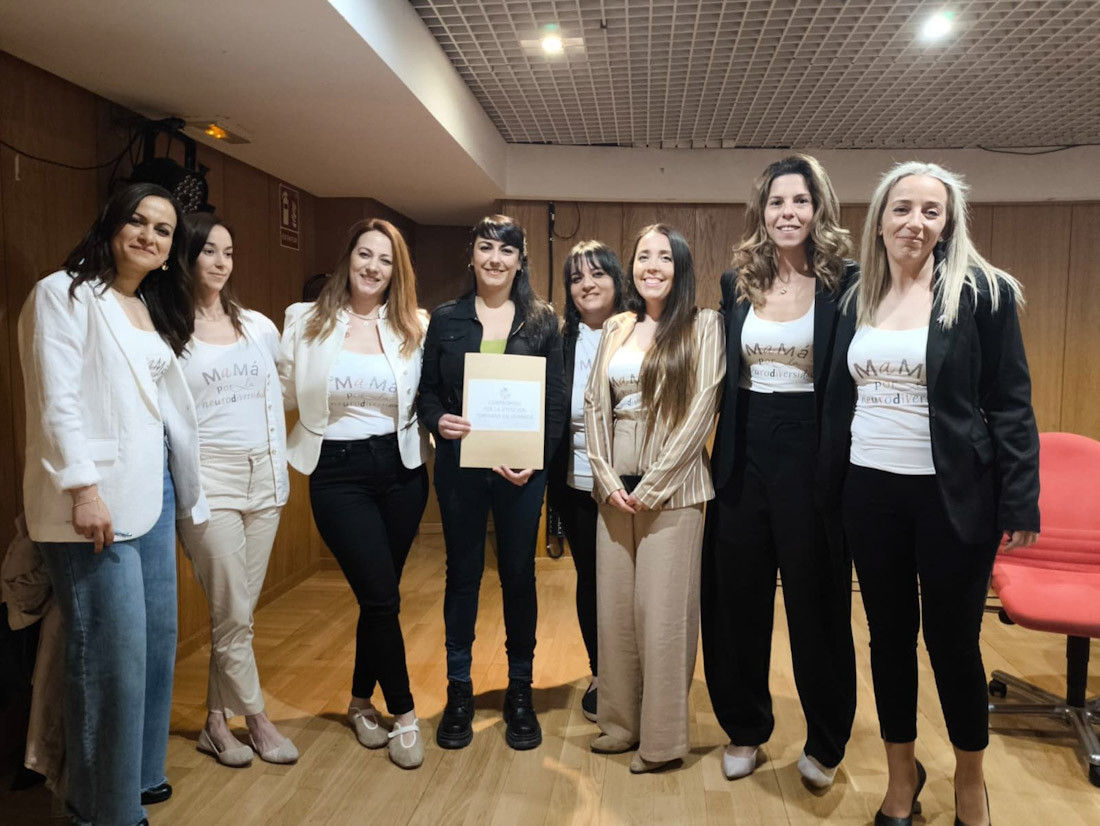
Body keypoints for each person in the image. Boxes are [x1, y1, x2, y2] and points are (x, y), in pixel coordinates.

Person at [819, 161, 1040, 826]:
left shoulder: (983, 293)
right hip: (869, 491)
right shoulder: (854, 292)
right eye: (903, 208)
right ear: (880, 219)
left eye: (931, 211)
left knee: (953, 644)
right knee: (889, 641)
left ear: (948, 224)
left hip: (954, 497)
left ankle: (970, 782)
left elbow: (1011, 403)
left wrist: (1020, 499)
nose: (915, 222)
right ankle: (900, 778)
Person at [18, 182, 207, 826]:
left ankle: (141, 777)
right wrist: (84, 489)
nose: (149, 236)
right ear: (111, 224)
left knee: (155, 644)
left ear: (170, 250)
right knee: (110, 658)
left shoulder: (148, 305)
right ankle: (103, 811)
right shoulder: (64, 293)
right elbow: (58, 400)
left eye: (163, 230)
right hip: (95, 497)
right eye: (138, 221)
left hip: (152, 490)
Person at [700, 155, 858, 786]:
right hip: (743, 449)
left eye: (800, 201)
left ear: (819, 209)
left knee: (817, 602)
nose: (787, 212)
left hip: (813, 452)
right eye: (776, 202)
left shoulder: (846, 284)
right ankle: (745, 726)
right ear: (760, 212)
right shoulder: (736, 281)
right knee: (736, 598)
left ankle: (826, 741)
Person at [279, 218, 430, 769]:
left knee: (379, 596)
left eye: (385, 259)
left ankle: (362, 702)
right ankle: (405, 714)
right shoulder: (305, 320)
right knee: (382, 597)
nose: (373, 267)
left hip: (402, 471)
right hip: (337, 472)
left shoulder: (416, 324)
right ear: (348, 258)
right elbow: (277, 393)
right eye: (365, 254)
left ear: (397, 270)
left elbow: (434, 393)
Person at [417, 214, 566, 751]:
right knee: (462, 575)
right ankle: (459, 690)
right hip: (460, 467)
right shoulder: (446, 318)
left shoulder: (543, 322)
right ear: (472, 255)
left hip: (521, 473)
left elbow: (554, 402)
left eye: (506, 250)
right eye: (486, 248)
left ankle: (519, 690)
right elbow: (426, 392)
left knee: (519, 575)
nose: (495, 259)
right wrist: (438, 420)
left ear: (521, 261)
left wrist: (537, 460)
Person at [584, 224, 725, 773]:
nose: (652, 266)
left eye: (664, 257)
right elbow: (595, 403)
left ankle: (663, 742)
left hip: (674, 492)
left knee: (662, 617)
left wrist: (654, 485)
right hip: (614, 489)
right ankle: (620, 725)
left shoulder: (703, 325)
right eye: (643, 256)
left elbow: (703, 409)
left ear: (680, 266)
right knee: (616, 612)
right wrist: (605, 476)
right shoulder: (617, 326)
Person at [176, 213, 296, 767]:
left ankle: (214, 724)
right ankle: (258, 720)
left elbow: (285, 387)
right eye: (208, 250)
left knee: (238, 614)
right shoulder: (169, 331)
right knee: (232, 611)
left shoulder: (258, 326)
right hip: (210, 482)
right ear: (186, 256)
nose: (221, 261)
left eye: (228, 252)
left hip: (264, 476)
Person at [547, 241, 626, 722]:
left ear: (617, 281)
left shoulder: (639, 332)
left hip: (631, 480)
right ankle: (601, 672)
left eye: (598, 274)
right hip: (575, 480)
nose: (587, 285)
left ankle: (633, 672)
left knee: (629, 582)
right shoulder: (559, 342)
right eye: (577, 278)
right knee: (591, 578)